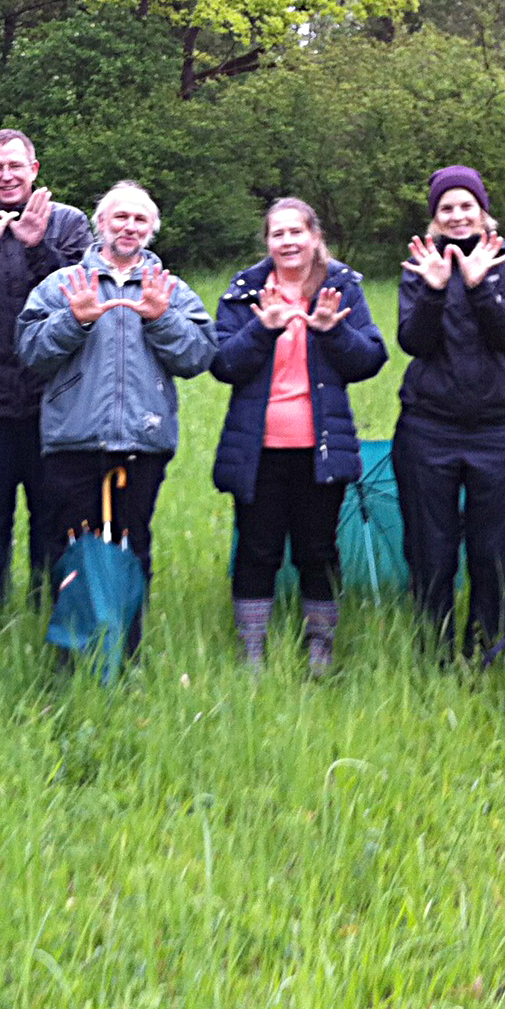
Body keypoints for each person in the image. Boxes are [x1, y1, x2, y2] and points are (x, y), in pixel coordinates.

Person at [16, 181, 217, 660]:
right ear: (100, 223)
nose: (129, 227)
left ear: (151, 230)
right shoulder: (62, 284)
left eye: (140, 220)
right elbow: (31, 353)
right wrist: (76, 320)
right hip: (74, 439)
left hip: (143, 439)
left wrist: (160, 318)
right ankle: (72, 654)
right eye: (120, 217)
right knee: (73, 546)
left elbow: (199, 356)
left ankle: (126, 651)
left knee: (133, 544)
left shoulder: (171, 289)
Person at [211, 198, 386, 674]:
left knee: (317, 547)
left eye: (296, 232)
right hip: (258, 446)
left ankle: (320, 648)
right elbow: (222, 363)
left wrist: (333, 332)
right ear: (267, 241)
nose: (287, 242)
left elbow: (369, 359)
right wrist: (261, 330)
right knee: (256, 547)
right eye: (277, 234)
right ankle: (251, 650)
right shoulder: (247, 289)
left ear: (314, 236)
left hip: (321, 447)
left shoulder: (340, 286)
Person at [0, 129, 90, 612]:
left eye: (15, 166)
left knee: (52, 516)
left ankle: (46, 609)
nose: (7, 176)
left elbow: (78, 296)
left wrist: (33, 246)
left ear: (34, 169)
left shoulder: (68, 223)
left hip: (53, 400)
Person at [393, 166, 505, 656]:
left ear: (481, 212)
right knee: (431, 548)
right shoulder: (420, 264)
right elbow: (413, 341)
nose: (456, 215)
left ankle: (489, 645)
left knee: (493, 550)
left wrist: (478, 286)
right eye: (446, 208)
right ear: (435, 217)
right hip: (427, 429)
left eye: (465, 206)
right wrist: (433, 290)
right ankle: (434, 648)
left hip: (497, 430)